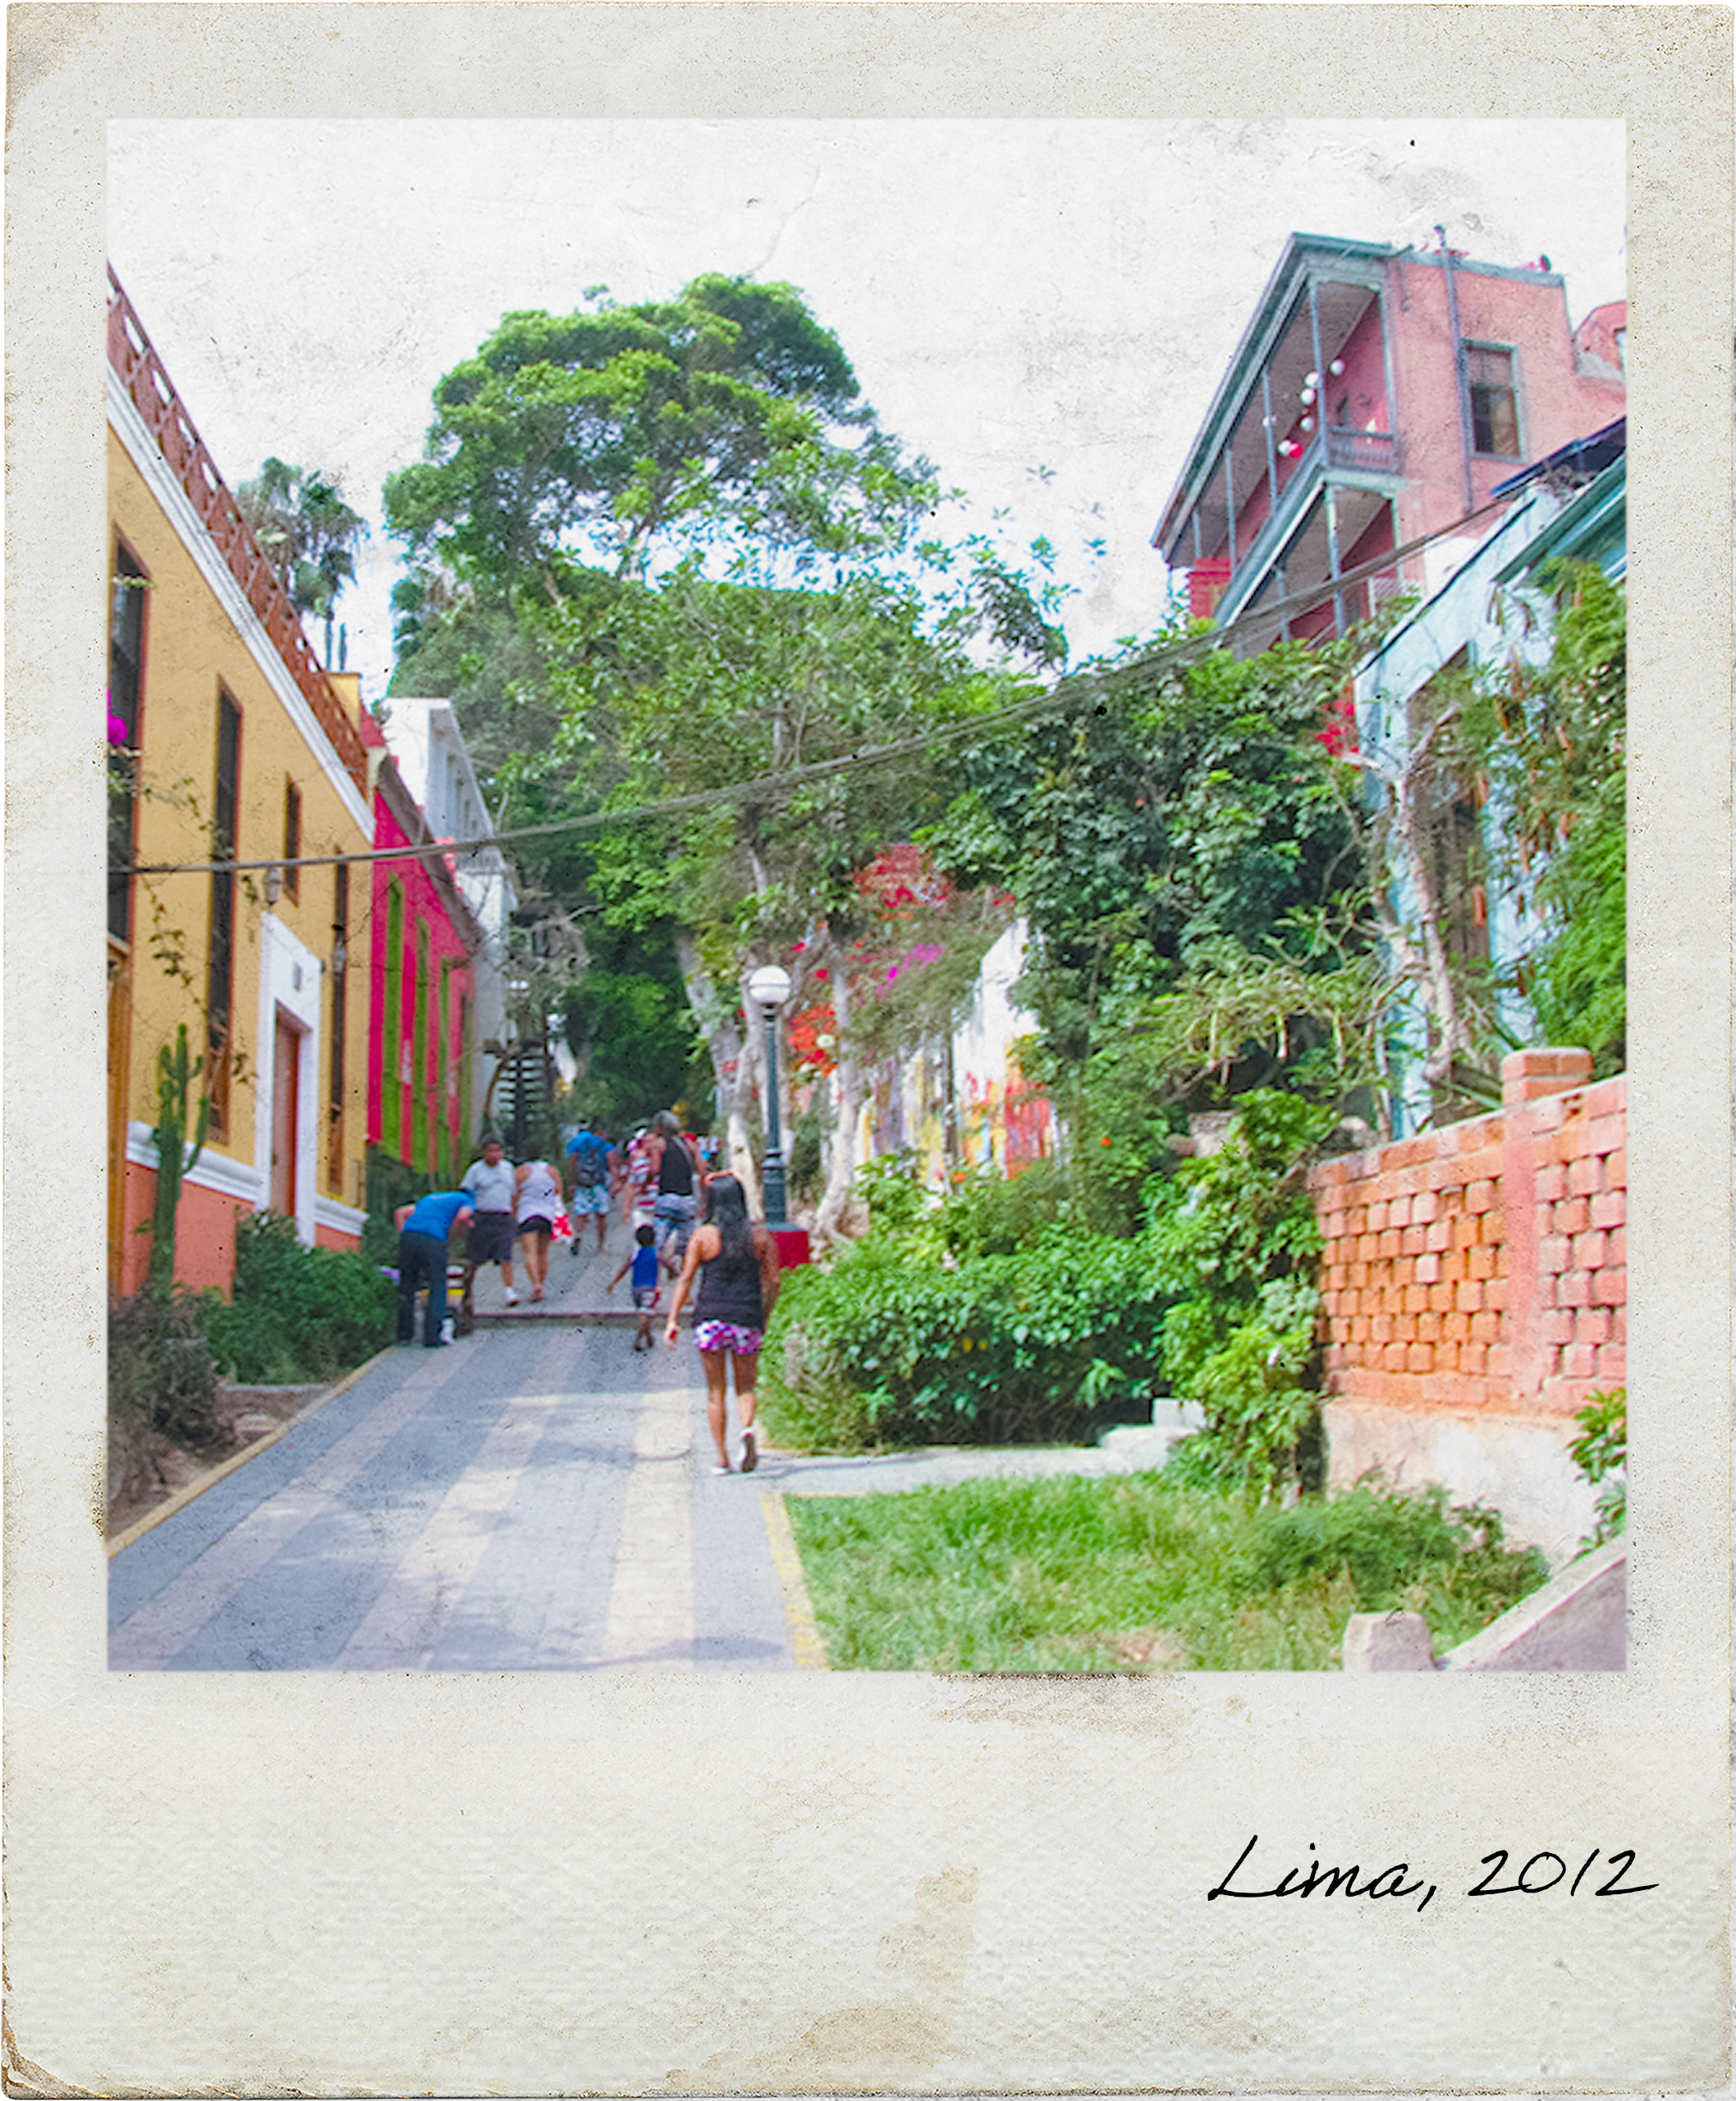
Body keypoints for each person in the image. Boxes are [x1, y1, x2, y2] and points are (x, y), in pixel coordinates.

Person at [664, 1173, 781, 1474]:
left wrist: (673, 1320)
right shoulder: (760, 1236)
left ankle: (721, 1458)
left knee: (715, 1391)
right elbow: (774, 1281)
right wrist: (763, 1315)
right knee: (746, 1386)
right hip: (746, 1318)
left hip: (710, 1319)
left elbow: (686, 1279)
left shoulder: (702, 1236)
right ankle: (746, 1431)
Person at [392, 1190, 475, 1348]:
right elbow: (464, 1216)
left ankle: (404, 1333)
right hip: (433, 1239)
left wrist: (403, 1234)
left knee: (407, 1286)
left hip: (409, 1237)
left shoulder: (430, 1198)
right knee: (437, 1286)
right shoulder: (466, 1200)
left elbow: (400, 1212)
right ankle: (432, 1337)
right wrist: (451, 1235)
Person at [646, 1109, 706, 1279]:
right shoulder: (690, 1145)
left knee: (657, 1244)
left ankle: (655, 1284)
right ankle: (685, 1290)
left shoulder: (659, 1144)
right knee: (686, 1248)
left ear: (660, 1127)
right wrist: (704, 1201)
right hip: (687, 1200)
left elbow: (654, 1170)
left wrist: (644, 1184)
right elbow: (702, 1172)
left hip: (667, 1198)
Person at [461, 1134, 520, 1306]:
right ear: (484, 1153)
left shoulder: (508, 1168)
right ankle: (467, 1292)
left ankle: (509, 1290)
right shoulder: (475, 1170)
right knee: (474, 1258)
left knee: (505, 1255)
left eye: (497, 1151)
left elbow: (514, 1194)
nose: (494, 1155)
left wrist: (514, 1216)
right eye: (490, 1151)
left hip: (503, 1216)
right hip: (482, 1216)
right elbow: (466, 1194)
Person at [513, 1152, 563, 1302]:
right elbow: (559, 1192)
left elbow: (514, 1194)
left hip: (527, 1214)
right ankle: (541, 1284)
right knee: (543, 1253)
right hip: (547, 1214)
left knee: (530, 1252)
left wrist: (514, 1213)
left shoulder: (520, 1172)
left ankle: (535, 1285)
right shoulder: (552, 1170)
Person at [565, 1117, 617, 1255]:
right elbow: (612, 1163)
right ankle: (601, 1246)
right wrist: (614, 1185)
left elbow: (572, 1162)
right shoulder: (605, 1144)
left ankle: (578, 1235)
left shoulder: (577, 1141)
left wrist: (572, 1183)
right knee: (601, 1216)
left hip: (582, 1183)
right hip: (599, 1184)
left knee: (581, 1213)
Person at [607, 1222, 662, 1352]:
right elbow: (668, 1264)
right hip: (650, 1289)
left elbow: (624, 1269)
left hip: (636, 1289)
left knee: (644, 1313)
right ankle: (638, 1339)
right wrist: (676, 1272)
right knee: (645, 1314)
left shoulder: (635, 1255)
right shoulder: (655, 1254)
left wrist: (614, 1282)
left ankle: (649, 1337)